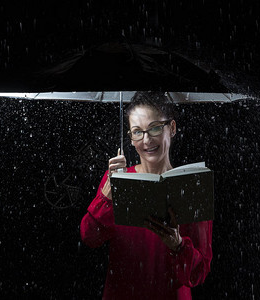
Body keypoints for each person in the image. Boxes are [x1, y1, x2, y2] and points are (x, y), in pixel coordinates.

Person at [80, 91, 213, 299]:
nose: (146, 140)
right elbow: (89, 238)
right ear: (131, 139)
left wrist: (178, 246)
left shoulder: (193, 185)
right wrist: (105, 198)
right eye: (137, 132)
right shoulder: (115, 179)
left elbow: (199, 273)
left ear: (172, 128)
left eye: (155, 128)